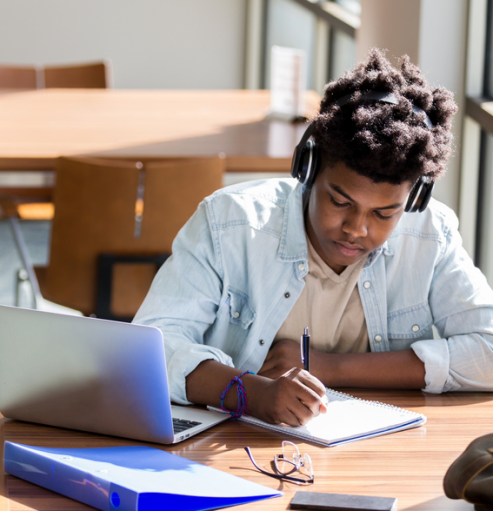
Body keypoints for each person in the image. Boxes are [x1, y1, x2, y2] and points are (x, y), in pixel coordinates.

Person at [134, 49, 493, 427]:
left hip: (374, 450)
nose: (356, 228)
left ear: (414, 199)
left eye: (384, 214)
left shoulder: (430, 236)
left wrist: (329, 368)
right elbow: (151, 351)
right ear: (308, 168)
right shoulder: (229, 223)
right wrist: (252, 394)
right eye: (340, 201)